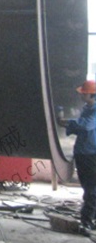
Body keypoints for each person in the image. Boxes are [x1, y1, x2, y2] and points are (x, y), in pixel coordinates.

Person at [59, 80, 96, 233]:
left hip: (90, 154)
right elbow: (81, 127)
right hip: (83, 152)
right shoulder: (87, 108)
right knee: (89, 187)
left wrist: (68, 122)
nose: (81, 96)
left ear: (92, 95)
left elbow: (86, 125)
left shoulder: (94, 111)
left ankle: (87, 222)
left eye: (84, 93)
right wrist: (68, 124)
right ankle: (90, 219)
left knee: (92, 189)